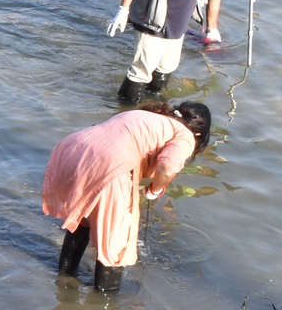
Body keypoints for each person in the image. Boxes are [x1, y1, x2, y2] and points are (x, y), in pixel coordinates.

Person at [42, 101, 212, 293]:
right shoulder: (186, 136)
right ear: (199, 134)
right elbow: (167, 167)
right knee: (118, 241)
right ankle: (104, 305)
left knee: (82, 221)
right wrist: (155, 189)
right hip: (108, 164)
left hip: (73, 149)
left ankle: (65, 280)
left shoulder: (150, 116)